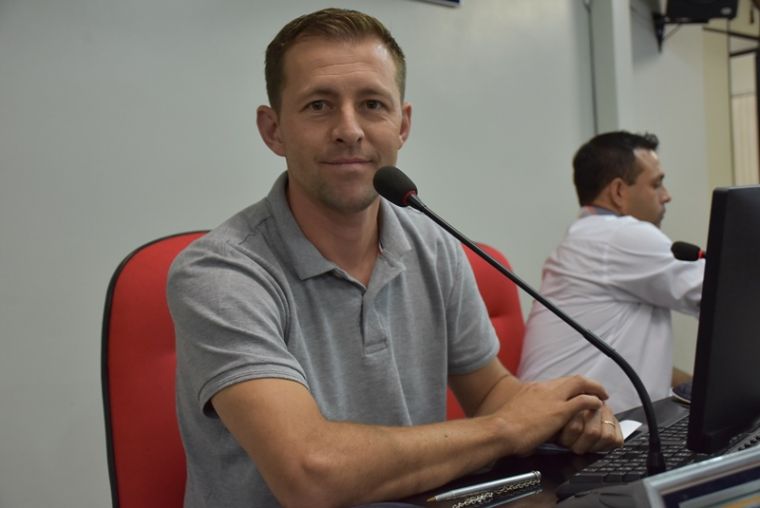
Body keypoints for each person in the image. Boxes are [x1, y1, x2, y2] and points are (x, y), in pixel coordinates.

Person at [167, 8, 622, 508]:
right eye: (319, 105)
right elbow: (309, 474)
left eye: (372, 104)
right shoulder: (220, 274)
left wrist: (562, 417)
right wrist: (508, 428)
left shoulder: (433, 244)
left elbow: (491, 393)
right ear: (274, 130)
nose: (349, 129)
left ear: (401, 124)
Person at [518, 131, 705, 414]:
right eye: (656, 184)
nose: (666, 196)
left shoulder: (590, 238)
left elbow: (633, 358)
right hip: (574, 433)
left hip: (567, 424)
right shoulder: (618, 236)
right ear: (618, 191)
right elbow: (728, 292)